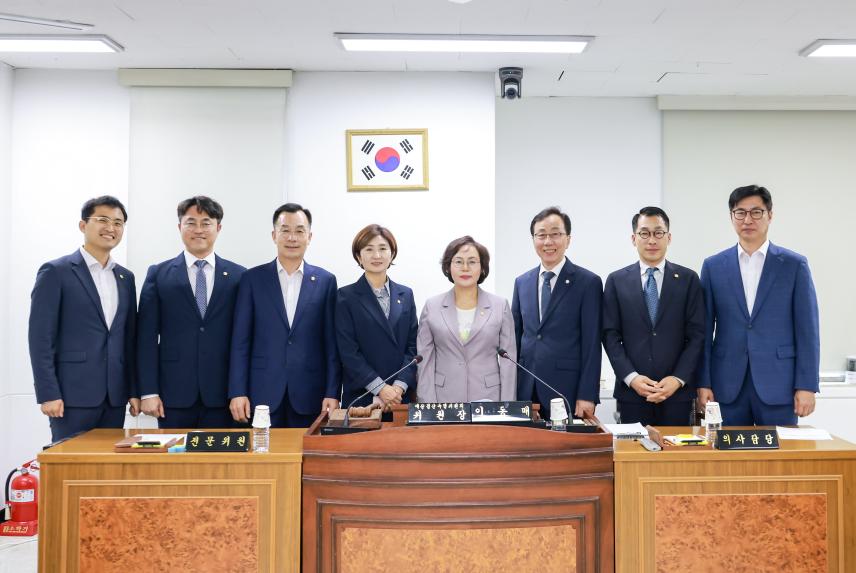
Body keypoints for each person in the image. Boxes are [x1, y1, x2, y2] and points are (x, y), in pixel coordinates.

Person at [698, 185, 819, 426]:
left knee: (781, 451)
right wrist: (703, 382)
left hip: (780, 385)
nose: (747, 220)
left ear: (770, 215)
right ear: (731, 217)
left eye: (756, 212)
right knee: (729, 450)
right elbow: (704, 330)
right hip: (727, 384)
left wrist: (806, 385)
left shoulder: (794, 265)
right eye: (740, 212)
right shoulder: (713, 266)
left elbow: (808, 330)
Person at [29, 196, 140, 442]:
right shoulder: (56, 272)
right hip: (71, 397)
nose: (111, 228)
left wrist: (133, 390)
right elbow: (40, 338)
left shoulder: (126, 278)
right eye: (102, 220)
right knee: (70, 462)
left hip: (114, 397)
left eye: (118, 223)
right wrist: (48, 393)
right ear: (83, 225)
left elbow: (129, 339)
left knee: (107, 463)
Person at [136, 196, 246, 428]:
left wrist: (241, 390)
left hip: (224, 395)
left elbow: (244, 339)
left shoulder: (239, 276)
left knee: (221, 453)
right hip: (173, 394)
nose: (198, 230)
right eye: (191, 223)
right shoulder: (159, 274)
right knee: (174, 453)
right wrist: (148, 391)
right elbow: (145, 338)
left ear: (218, 228)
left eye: (206, 223)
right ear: (179, 227)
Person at [228, 203, 340, 427]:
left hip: (311, 392)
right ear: (274, 235)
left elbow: (331, 344)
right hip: (261, 392)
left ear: (309, 237)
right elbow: (240, 341)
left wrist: (332, 392)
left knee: (306, 449)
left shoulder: (326, 281)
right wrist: (237, 391)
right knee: (263, 450)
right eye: (285, 230)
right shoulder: (252, 279)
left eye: (299, 231)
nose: (292, 238)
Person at [602, 207, 704, 426]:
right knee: (633, 448)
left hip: (677, 394)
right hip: (632, 394)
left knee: (677, 448)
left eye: (658, 233)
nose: (652, 240)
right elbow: (610, 336)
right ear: (634, 238)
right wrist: (631, 378)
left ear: (669, 237)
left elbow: (697, 335)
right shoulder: (616, 281)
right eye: (644, 233)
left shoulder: (688, 279)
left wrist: (677, 379)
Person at [512, 207, 602, 420]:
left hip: (567, 391)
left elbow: (592, 344)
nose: (548, 241)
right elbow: (516, 338)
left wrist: (587, 394)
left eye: (555, 234)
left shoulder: (587, 282)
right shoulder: (522, 282)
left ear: (568, 239)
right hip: (526, 389)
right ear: (533, 240)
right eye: (541, 235)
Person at [417, 236, 515, 403]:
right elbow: (424, 361)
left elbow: (509, 362)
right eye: (458, 262)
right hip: (444, 397)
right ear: (448, 267)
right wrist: (428, 405)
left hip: (489, 397)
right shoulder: (432, 306)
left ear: (482, 268)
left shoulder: (500, 306)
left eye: (472, 262)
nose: (465, 268)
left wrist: (507, 406)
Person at [336, 224, 418, 411]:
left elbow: (413, 347)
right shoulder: (345, 297)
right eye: (369, 249)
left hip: (399, 399)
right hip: (362, 398)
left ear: (392, 254)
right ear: (359, 256)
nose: (377, 255)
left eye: (383, 249)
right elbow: (348, 352)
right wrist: (381, 388)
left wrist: (398, 387)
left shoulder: (406, 294)